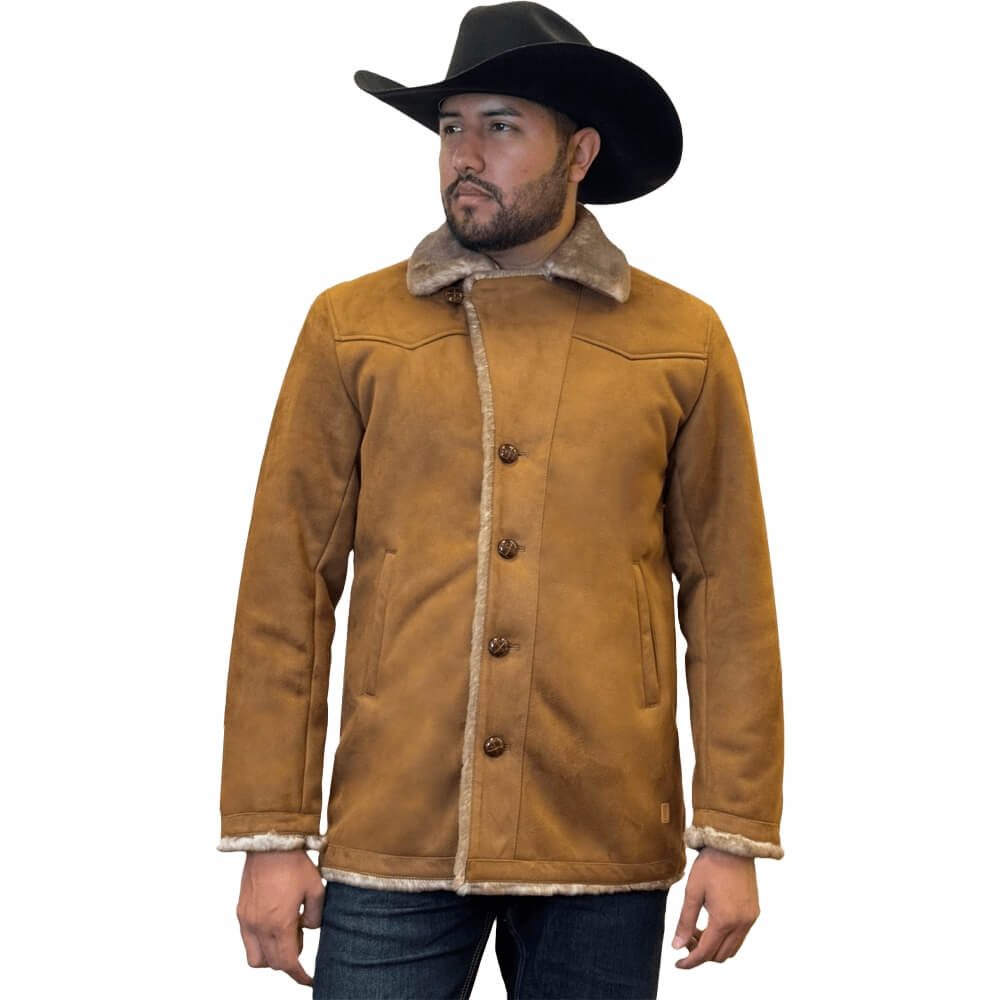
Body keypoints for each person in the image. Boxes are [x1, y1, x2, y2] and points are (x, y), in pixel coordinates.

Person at [216, 3, 785, 997]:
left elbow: (729, 596)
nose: (464, 156)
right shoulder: (352, 326)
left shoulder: (680, 338)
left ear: (580, 153)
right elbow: (286, 586)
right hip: (395, 822)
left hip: (602, 826)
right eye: (450, 128)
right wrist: (272, 834)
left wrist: (731, 833)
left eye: (501, 126)